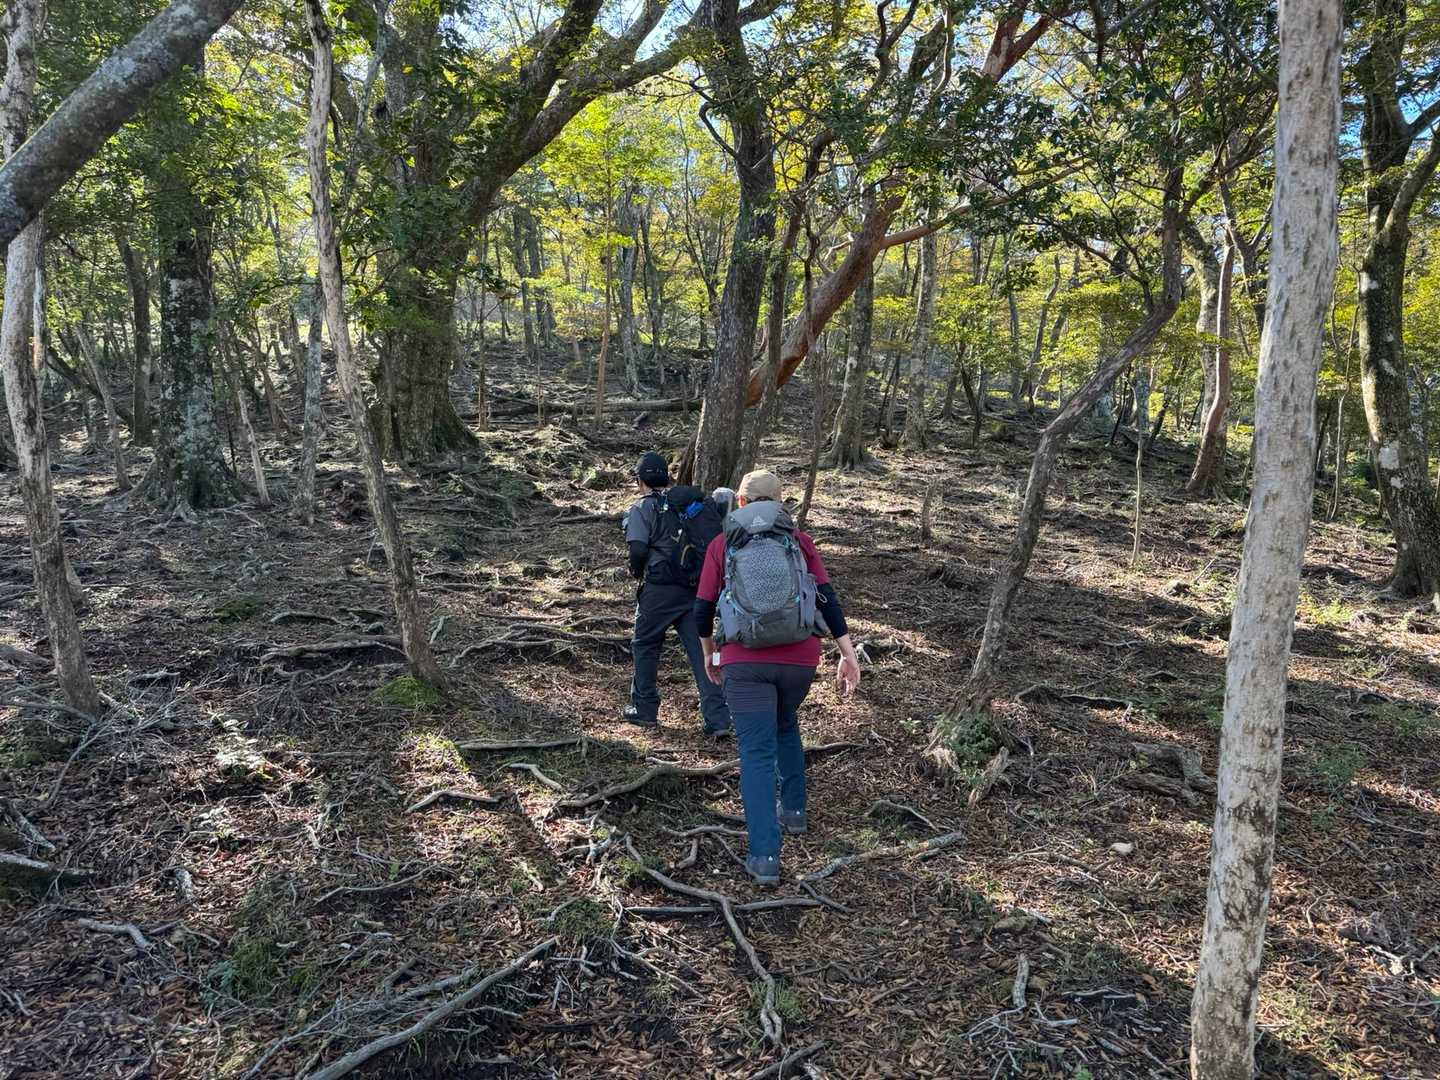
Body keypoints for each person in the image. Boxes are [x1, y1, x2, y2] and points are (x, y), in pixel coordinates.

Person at [694, 469, 861, 884]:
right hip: (799, 660)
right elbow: (826, 599)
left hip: (744, 661)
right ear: (781, 503)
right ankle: (795, 812)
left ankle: (765, 856)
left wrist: (710, 654)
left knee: (755, 752)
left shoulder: (723, 543)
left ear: (741, 502)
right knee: (785, 721)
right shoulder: (800, 542)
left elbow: (702, 609)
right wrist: (847, 653)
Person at [621, 452, 733, 736]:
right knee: (701, 650)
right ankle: (718, 718)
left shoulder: (643, 508)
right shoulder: (688, 505)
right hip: (694, 588)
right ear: (667, 478)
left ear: (639, 481)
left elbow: (638, 549)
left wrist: (637, 571)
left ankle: (645, 709)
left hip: (658, 590)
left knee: (645, 645)